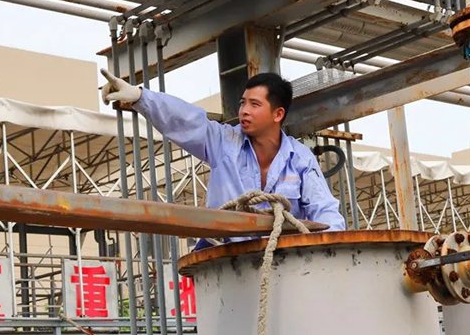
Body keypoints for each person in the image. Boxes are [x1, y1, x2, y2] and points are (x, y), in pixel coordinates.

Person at [100, 69, 345, 250]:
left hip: (285, 261)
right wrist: (140, 97)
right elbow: (184, 120)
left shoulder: (301, 158)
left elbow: (324, 210)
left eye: (255, 104)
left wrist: (334, 251)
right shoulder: (223, 142)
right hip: (226, 259)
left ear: (278, 114)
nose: (244, 110)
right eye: (242, 103)